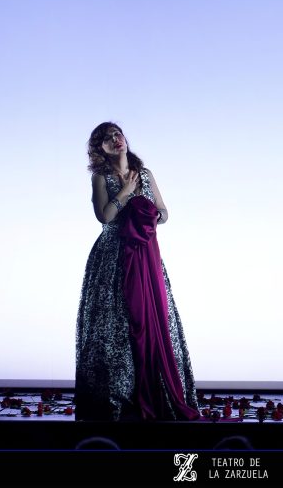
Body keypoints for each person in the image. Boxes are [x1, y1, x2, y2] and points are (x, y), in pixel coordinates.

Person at [75, 122, 200, 421]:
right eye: (107, 139)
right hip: (113, 256)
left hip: (145, 253)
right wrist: (127, 192)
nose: (115, 139)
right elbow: (105, 217)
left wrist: (150, 213)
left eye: (117, 134)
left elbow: (165, 213)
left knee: (152, 317)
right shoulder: (100, 177)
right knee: (116, 323)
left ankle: (156, 392)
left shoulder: (145, 173)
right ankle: (118, 400)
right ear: (99, 149)